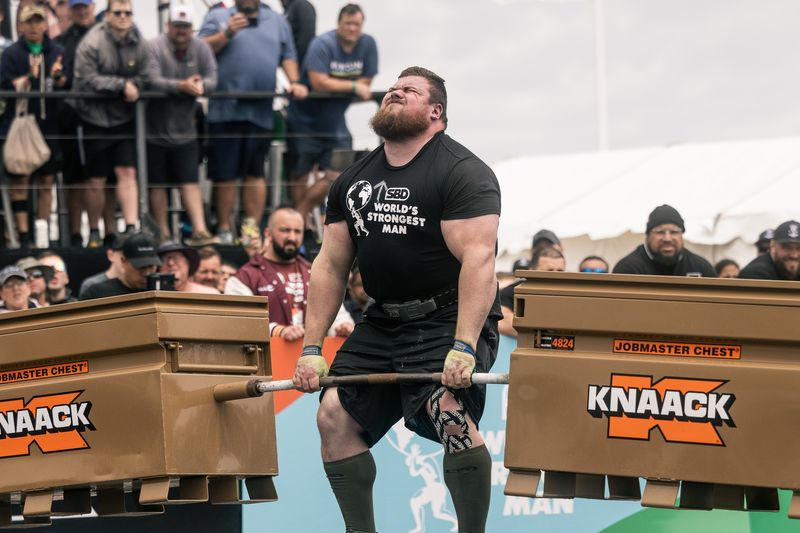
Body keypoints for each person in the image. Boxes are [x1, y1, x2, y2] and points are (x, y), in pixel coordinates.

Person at [293, 66, 501, 533]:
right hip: (384, 319)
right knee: (332, 416)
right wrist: (310, 348)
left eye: (408, 91)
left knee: (449, 412)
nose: (394, 93)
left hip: (450, 314)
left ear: (435, 112)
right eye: (391, 89)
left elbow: (480, 261)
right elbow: (329, 265)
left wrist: (465, 345)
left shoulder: (462, 172)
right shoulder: (353, 180)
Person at [198, 0, 307, 243]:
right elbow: (200, 50)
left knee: (255, 172)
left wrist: (295, 81)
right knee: (224, 174)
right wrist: (227, 33)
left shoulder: (277, 21)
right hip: (224, 110)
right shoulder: (218, 15)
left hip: (261, 112)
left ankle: (250, 231)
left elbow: (288, 55)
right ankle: (225, 230)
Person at [286, 3, 378, 223]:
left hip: (336, 123)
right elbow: (318, 82)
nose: (352, 28)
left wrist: (336, 84)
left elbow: (367, 80)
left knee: (337, 175)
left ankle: (298, 217)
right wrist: (352, 87)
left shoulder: (368, 44)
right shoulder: (323, 44)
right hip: (304, 120)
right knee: (299, 174)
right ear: (339, 24)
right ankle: (301, 226)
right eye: (348, 23)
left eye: (356, 24)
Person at [73, 0, 149, 245]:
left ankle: (130, 228)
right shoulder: (91, 41)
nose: (124, 17)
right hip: (94, 118)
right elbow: (86, 79)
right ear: (107, 15)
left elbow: (147, 73)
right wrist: (121, 86)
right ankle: (94, 231)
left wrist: (135, 85)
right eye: (118, 12)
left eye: (128, 13)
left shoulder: (139, 39)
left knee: (128, 172)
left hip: (124, 118)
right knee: (96, 179)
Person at [146, 4, 218, 246]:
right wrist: (181, 86)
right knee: (157, 185)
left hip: (187, 130)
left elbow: (212, 79)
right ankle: (163, 234)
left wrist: (200, 85)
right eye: (177, 26)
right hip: (153, 131)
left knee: (190, 181)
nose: (181, 31)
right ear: (168, 26)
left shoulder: (202, 47)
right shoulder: (154, 46)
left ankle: (200, 231)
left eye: (186, 27)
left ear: (192, 29)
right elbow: (151, 79)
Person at [225, 206, 354, 339]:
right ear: (268, 233)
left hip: (311, 357)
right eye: (285, 230)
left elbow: (336, 313)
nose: (292, 237)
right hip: (267, 357)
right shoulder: (245, 277)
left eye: (297, 231)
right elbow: (241, 321)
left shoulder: (314, 272)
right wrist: (278, 331)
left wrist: (342, 327)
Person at [0, 4, 67, 249]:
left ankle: (42, 234)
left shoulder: (57, 51)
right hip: (20, 126)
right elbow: (6, 87)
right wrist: (29, 76)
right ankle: (24, 236)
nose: (34, 26)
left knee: (47, 181)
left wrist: (59, 76)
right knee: (20, 179)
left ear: (44, 24)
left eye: (38, 21)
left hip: (50, 125)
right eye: (28, 22)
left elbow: (64, 84)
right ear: (20, 25)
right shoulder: (11, 54)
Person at [55, 0, 97, 247]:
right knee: (74, 178)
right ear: (70, 10)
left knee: (100, 178)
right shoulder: (62, 41)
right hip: (71, 118)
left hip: (104, 119)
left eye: (85, 6)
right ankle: (75, 234)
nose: (82, 11)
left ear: (92, 7)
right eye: (77, 7)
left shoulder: (105, 34)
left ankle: (100, 231)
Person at [612, 204, 716, 277]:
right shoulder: (628, 269)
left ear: (682, 235)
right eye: (660, 232)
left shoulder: (701, 268)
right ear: (648, 235)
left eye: (674, 232)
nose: (667, 239)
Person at [498, 247, 566, 337]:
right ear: (531, 270)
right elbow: (503, 323)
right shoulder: (512, 291)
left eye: (560, 271)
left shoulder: (573, 293)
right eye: (549, 271)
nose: (555, 276)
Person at [79, 233, 161, 299]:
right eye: (141, 267)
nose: (147, 273)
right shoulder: (97, 293)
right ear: (123, 261)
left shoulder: (161, 291)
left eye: (151, 266)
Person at [281, 0, 315, 66]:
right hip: (292, 64)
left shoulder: (302, 5)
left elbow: (306, 38)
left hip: (303, 63)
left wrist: (297, 62)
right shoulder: (288, 10)